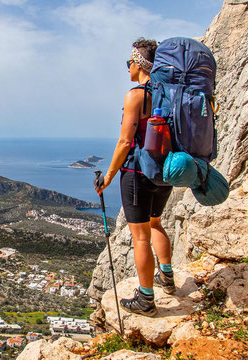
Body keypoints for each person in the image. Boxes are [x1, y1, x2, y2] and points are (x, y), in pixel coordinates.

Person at [95, 38, 175, 317]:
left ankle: (146, 299)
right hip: (165, 170)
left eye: (128, 62)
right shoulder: (168, 92)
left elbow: (125, 142)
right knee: (156, 224)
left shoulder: (136, 95)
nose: (126, 68)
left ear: (138, 63)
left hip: (137, 173)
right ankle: (167, 277)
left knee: (140, 237)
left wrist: (108, 176)